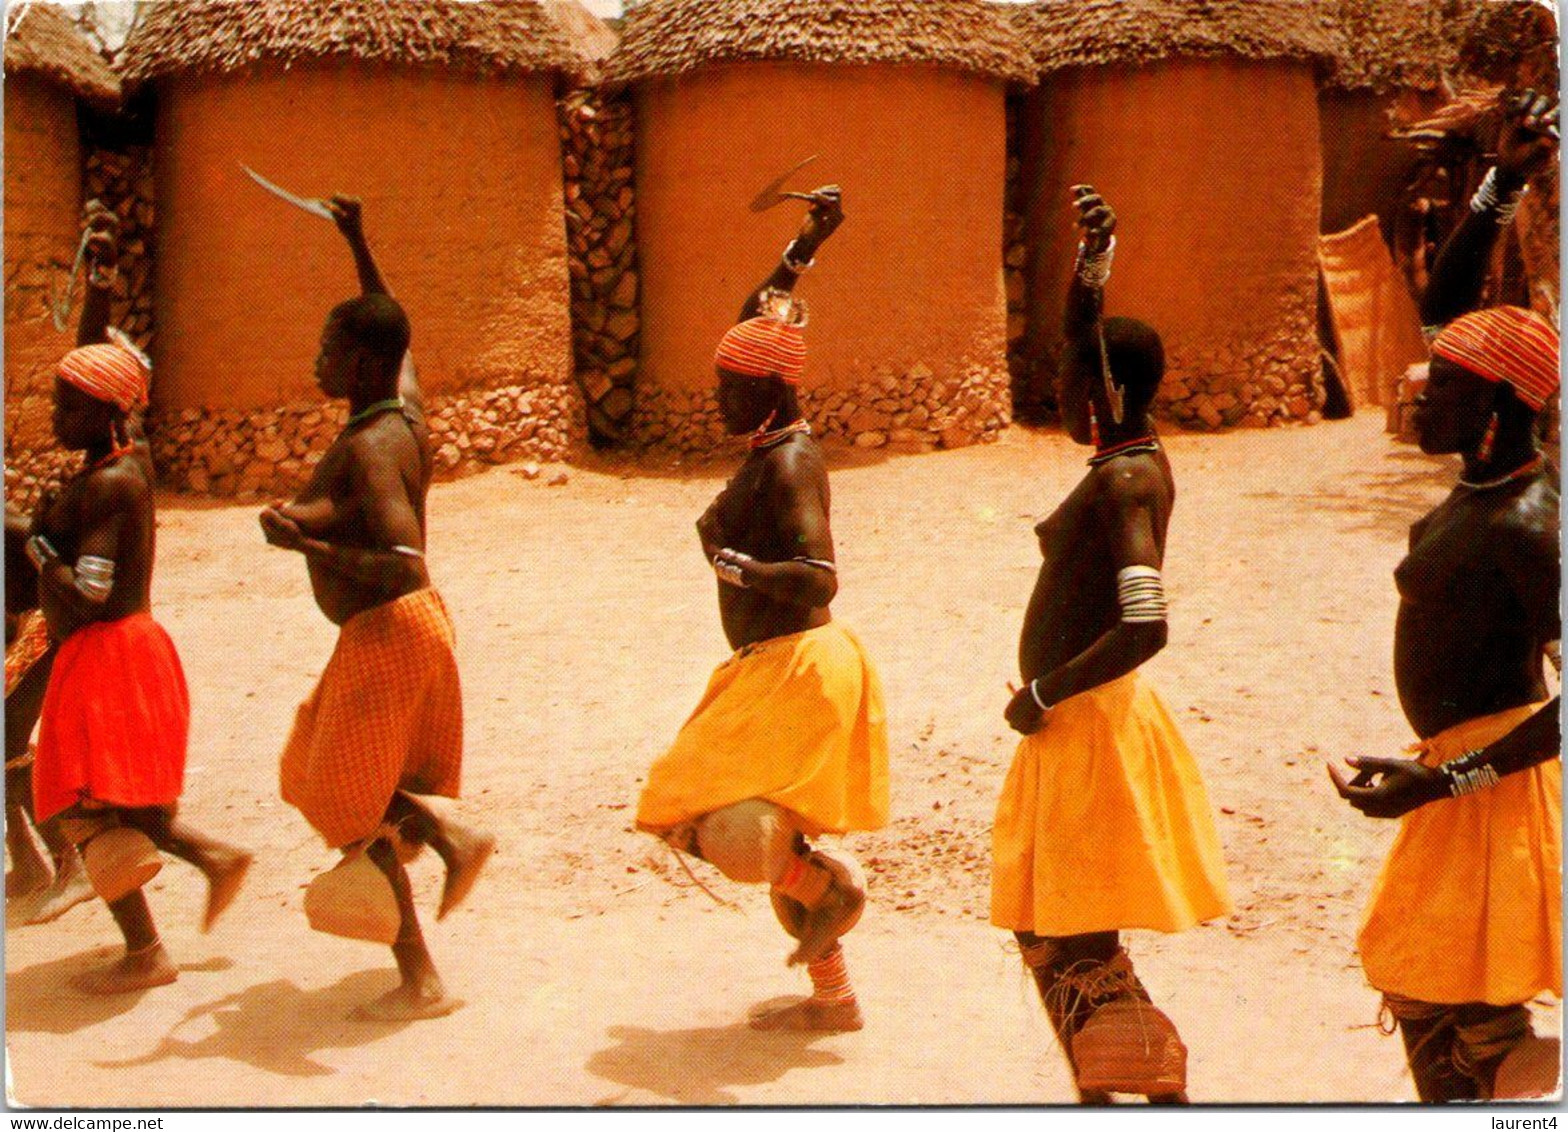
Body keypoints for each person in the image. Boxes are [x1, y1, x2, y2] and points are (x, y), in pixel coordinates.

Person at [1329, 90, 1561, 1102]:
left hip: (1491, 789)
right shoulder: (1482, 483)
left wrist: (1448, 778)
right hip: (1458, 778)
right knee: (1434, 999)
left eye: (1444, 385)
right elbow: (1449, 308)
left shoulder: (1526, 520)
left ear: (1500, 404)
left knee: (1464, 1015)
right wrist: (1502, 181)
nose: (1418, 389)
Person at [992, 186, 1231, 1103]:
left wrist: (1042, 695)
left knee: (1066, 936)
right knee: (1060, 931)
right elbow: (1082, 340)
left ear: (1107, 392)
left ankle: (1143, 1083)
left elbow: (1145, 625)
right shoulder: (1125, 454)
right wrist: (1096, 259)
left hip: (1084, 725)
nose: (1057, 390)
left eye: (1069, 379)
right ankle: (1125, 1084)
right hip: (1079, 724)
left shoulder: (1129, 480)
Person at [635, 188, 889, 1032]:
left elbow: (819, 577)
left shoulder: (789, 465)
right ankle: (835, 997)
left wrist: (741, 571)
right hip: (771, 669)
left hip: (796, 668)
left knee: (692, 808)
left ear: (766, 392)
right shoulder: (770, 437)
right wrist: (805, 242)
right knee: (764, 829)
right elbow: (758, 318)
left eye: (728, 387)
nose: (719, 398)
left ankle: (827, 890)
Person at [262, 196, 492, 1022]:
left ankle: (420, 977)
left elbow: (400, 558)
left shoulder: (371, 448)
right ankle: (449, 841)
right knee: (313, 768)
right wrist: (358, 240)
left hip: (392, 627)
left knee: (348, 801)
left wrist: (309, 548)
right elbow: (397, 328)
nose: (317, 359)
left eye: (329, 347)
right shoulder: (399, 407)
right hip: (396, 631)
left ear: (359, 360)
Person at [23, 208, 251, 994]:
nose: (55, 417)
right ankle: (210, 866)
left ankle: (147, 949)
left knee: (77, 805)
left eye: (65, 408)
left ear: (102, 413)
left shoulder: (113, 482)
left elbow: (89, 590)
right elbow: (94, 368)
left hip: (108, 650)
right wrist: (100, 292)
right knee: (113, 803)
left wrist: (35, 546)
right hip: (120, 650)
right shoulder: (127, 456)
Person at [4, 201, 129, 925]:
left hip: (47, 613)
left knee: (10, 745)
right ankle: (30, 862)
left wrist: (104, 286)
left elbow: (93, 373)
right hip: (30, 608)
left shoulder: (112, 466)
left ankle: (72, 865)